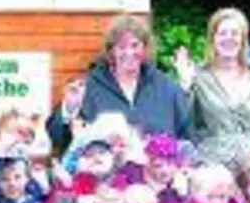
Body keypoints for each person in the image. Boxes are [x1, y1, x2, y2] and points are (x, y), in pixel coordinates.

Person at [47, 13, 192, 152]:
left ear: (145, 48)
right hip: (105, 175)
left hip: (157, 174)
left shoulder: (167, 87)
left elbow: (188, 137)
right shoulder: (89, 87)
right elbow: (57, 139)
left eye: (135, 45)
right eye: (121, 47)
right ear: (111, 51)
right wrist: (69, 110)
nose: (129, 53)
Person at [176, 8, 250, 171]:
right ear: (212, 38)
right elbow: (184, 126)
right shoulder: (198, 77)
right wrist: (185, 87)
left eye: (235, 33)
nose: (228, 38)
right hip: (210, 167)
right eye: (222, 33)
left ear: (243, 38)